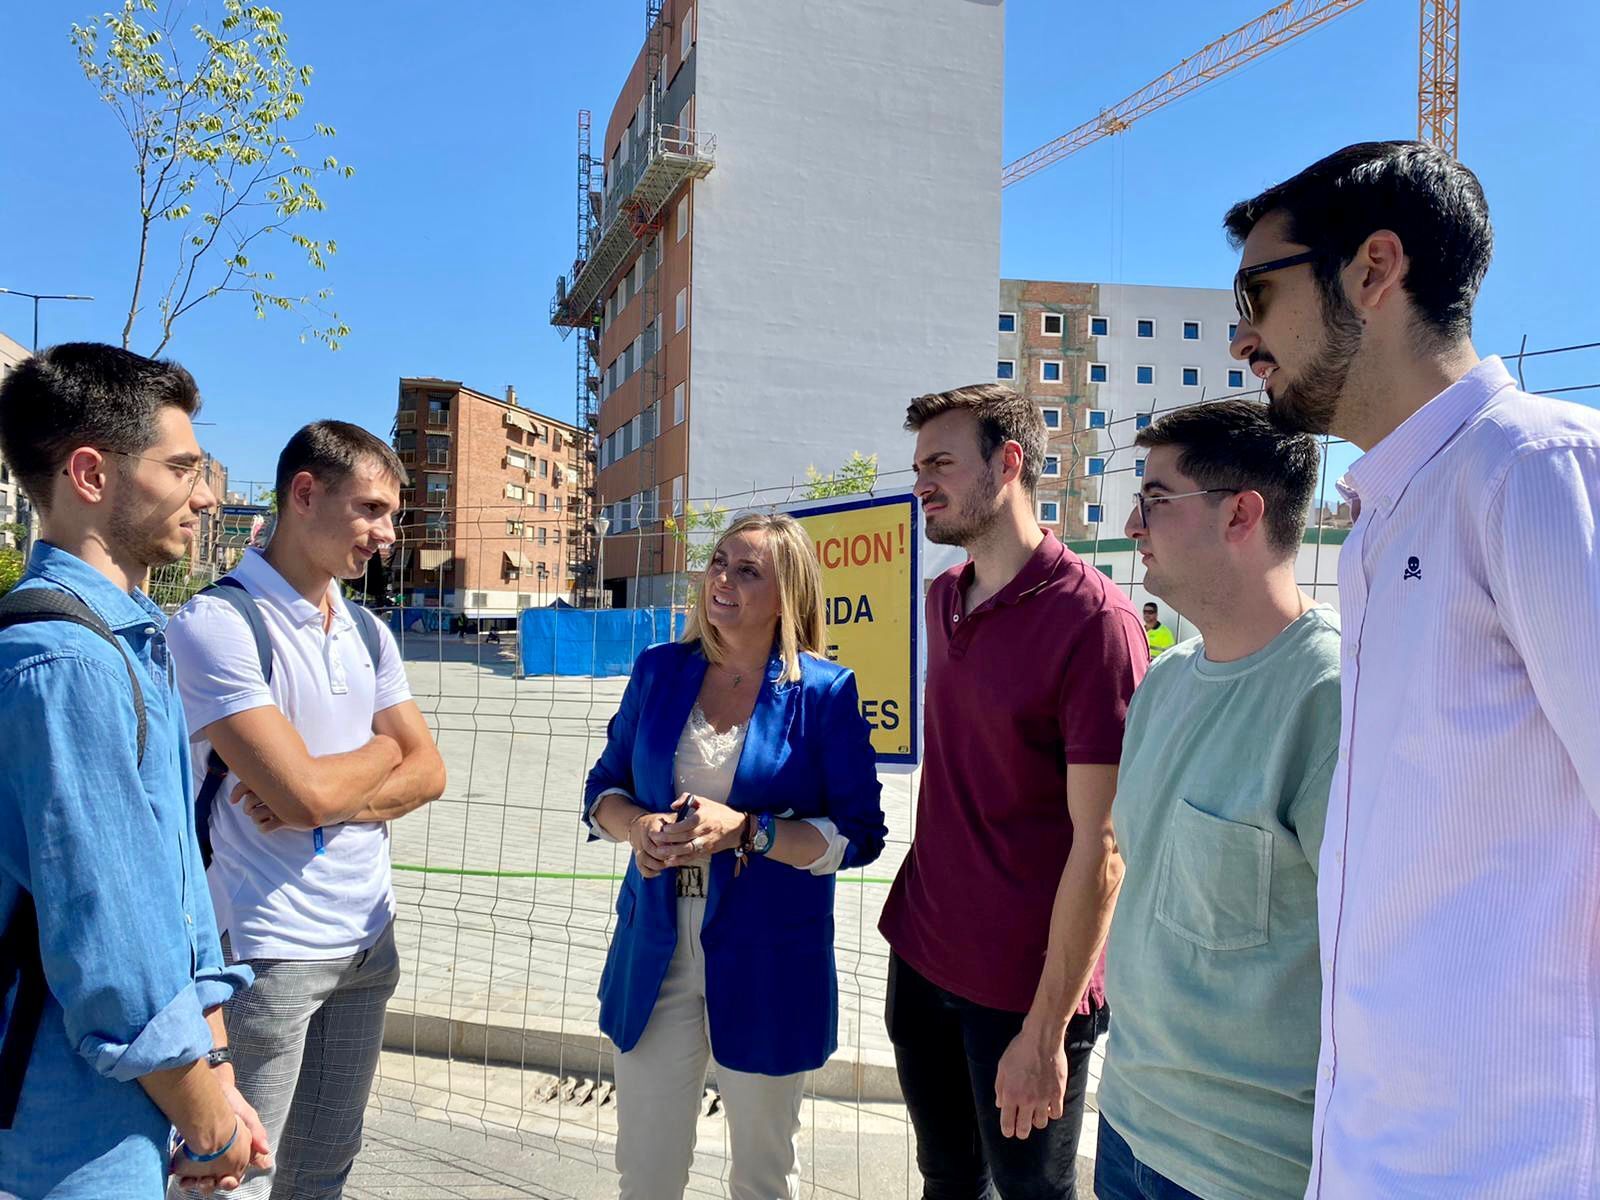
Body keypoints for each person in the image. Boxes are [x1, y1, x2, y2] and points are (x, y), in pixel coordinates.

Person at [1226, 140, 1600, 1197]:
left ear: (1373, 270)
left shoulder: (1535, 469)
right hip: (1380, 1149)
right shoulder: (1384, 520)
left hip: (1515, 1162)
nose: (1242, 335)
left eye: (1256, 293)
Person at [0, 344, 268, 1197]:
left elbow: (174, 896)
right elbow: (113, 954)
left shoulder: (125, 642)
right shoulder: (64, 662)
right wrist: (210, 1122)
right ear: (90, 474)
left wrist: (215, 1072)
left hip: (138, 1110)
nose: (207, 494)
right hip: (69, 1137)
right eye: (182, 469)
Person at [166, 421, 447, 1199]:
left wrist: (330, 801)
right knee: (234, 1180)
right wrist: (375, 756)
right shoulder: (218, 626)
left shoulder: (366, 631)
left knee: (322, 1175)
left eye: (393, 516)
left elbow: (429, 771)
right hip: (266, 953)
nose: (386, 535)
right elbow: (306, 794)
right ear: (303, 494)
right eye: (371, 510)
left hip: (368, 943)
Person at [881, 383, 1147, 1200]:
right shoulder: (943, 598)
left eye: (940, 464)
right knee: (947, 1183)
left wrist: (1046, 1030)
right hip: (921, 955)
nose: (922, 483)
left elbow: (1104, 848)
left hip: (1024, 993)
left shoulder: (1094, 623)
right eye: (918, 466)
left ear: (1009, 464)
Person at [583, 512, 886, 1200]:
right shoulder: (660, 671)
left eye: (748, 571)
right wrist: (638, 828)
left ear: (787, 595)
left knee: (761, 1176)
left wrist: (751, 832)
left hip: (769, 956)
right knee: (646, 1174)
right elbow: (603, 789)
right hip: (655, 945)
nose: (722, 579)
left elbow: (860, 834)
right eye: (719, 561)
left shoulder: (823, 692)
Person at [1094, 399, 1339, 1200]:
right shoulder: (1165, 682)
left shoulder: (1334, 698)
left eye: (1156, 499)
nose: (1133, 525)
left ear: (1240, 514)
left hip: (1247, 1168)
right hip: (1127, 1123)